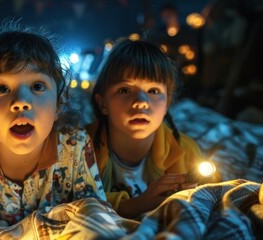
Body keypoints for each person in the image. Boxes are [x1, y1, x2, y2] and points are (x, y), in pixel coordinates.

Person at [0, 21, 106, 226]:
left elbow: (94, 218)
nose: (21, 103)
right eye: (2, 89)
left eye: (37, 85)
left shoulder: (75, 146)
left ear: (59, 104)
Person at [89, 39, 210, 219]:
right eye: (124, 90)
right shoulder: (78, 150)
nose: (141, 103)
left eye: (153, 91)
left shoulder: (187, 151)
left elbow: (210, 199)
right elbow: (72, 202)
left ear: (167, 103)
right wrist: (133, 206)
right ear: (102, 103)